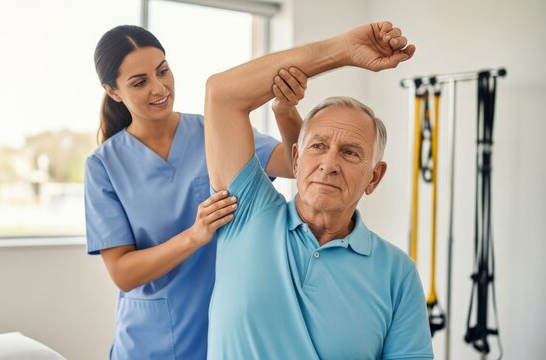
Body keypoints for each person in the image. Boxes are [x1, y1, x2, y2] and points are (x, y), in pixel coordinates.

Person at [204, 22, 434, 359]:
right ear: (296, 159)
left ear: (374, 177)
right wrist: (342, 50)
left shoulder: (397, 274)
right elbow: (221, 93)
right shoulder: (245, 212)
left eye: (350, 152)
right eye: (318, 146)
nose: (328, 164)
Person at [84, 25, 308, 359]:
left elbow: (298, 167)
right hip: (150, 343)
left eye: (163, 71)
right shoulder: (103, 165)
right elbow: (123, 273)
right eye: (139, 82)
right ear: (113, 91)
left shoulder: (212, 130)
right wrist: (195, 235)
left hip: (225, 332)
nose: (159, 88)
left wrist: (285, 112)